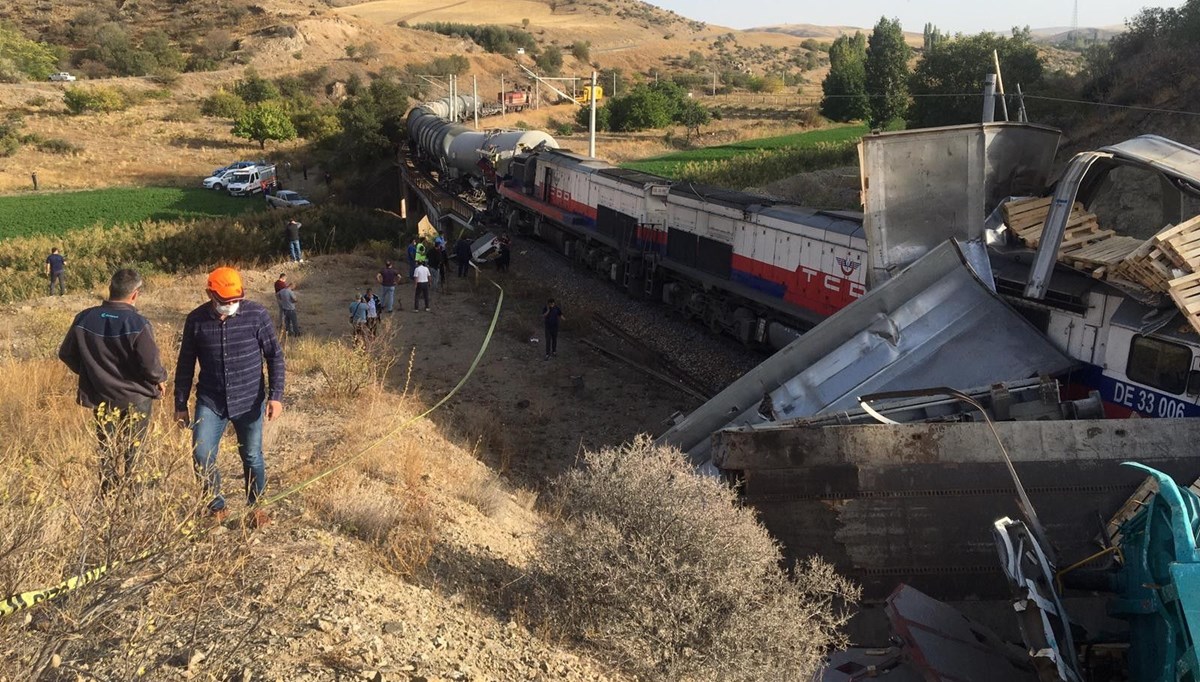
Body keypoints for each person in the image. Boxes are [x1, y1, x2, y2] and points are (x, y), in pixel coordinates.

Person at [174, 267, 284, 528]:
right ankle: (216, 509)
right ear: (210, 294)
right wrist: (180, 405)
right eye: (225, 301)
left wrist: (276, 395)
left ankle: (256, 507)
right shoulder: (196, 320)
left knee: (252, 456)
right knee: (201, 454)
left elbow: (274, 355)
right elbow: (186, 363)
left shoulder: (256, 315)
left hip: (249, 399)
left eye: (235, 300)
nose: (231, 305)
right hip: (211, 401)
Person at [58, 269, 167, 494]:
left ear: (110, 289)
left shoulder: (84, 318)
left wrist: (90, 372)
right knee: (133, 452)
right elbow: (151, 367)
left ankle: (107, 496)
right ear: (135, 294)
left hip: (100, 396)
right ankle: (132, 499)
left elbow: (66, 354)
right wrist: (161, 379)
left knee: (106, 449)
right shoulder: (137, 322)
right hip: (136, 398)